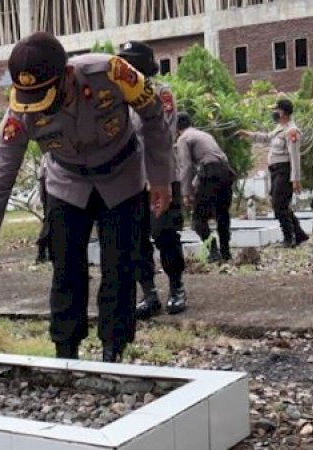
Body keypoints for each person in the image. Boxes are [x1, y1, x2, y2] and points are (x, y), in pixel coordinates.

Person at [0, 32, 174, 363]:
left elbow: (154, 114)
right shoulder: (21, 110)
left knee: (120, 267)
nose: (37, 106)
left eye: (47, 95)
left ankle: (113, 351)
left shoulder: (113, 72)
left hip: (123, 178)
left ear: (68, 75)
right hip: (67, 184)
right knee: (66, 270)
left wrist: (160, 177)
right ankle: (66, 351)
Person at [117, 41, 187, 318]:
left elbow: (163, 134)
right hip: (129, 180)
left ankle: (177, 288)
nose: (125, 67)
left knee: (165, 234)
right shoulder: (116, 98)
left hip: (160, 176)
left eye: (130, 62)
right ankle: (148, 293)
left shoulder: (161, 93)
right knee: (135, 240)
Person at [239, 99, 308, 248]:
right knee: (280, 204)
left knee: (279, 205)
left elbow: (295, 157)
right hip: (276, 171)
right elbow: (267, 138)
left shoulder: (292, 131)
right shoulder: (279, 128)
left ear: (282, 112)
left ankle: (289, 238)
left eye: (275, 110)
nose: (273, 112)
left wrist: (296, 179)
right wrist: (249, 134)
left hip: (285, 170)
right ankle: (300, 234)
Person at [176, 113, 236, 263]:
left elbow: (186, 166)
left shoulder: (183, 139)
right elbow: (212, 159)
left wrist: (185, 193)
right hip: (226, 171)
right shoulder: (204, 134)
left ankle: (213, 251)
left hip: (211, 174)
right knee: (222, 214)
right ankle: (226, 252)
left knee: (198, 219)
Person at [35, 153, 52, 264]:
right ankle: (42, 248)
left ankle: (49, 252)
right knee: (51, 217)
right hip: (51, 178)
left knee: (51, 217)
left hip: (48, 176)